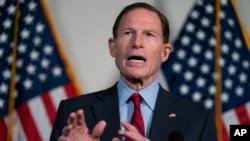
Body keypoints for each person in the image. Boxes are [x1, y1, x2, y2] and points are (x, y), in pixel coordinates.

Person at [50, 2, 218, 141]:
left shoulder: (198, 120)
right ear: (113, 47)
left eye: (149, 34)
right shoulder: (74, 112)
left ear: (164, 52)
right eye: (128, 33)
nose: (137, 42)